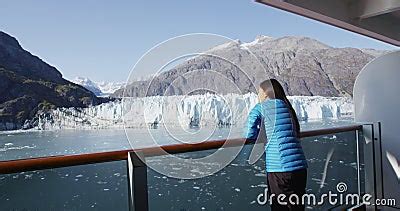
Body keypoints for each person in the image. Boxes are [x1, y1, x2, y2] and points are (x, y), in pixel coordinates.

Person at [245, 79, 308, 211]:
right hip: (300, 168)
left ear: (266, 93)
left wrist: (256, 134)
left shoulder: (262, 107)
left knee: (280, 207)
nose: (258, 95)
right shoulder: (287, 106)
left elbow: (249, 130)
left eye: (259, 92)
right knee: (297, 207)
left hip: (280, 168)